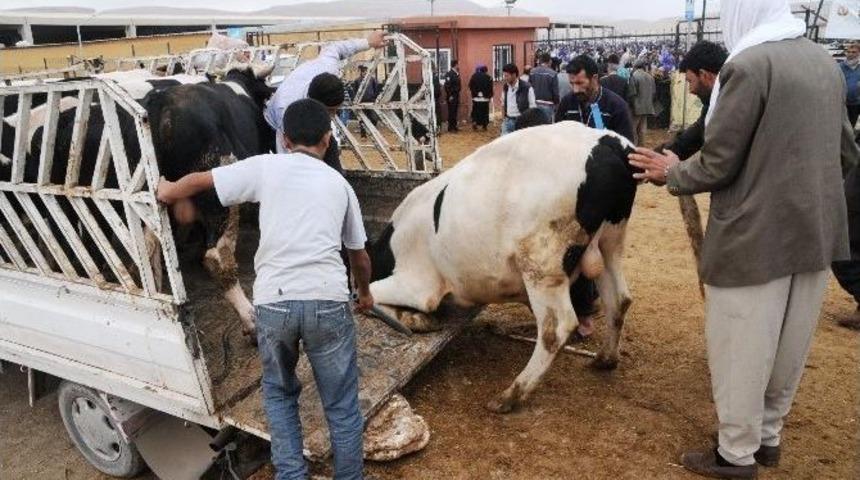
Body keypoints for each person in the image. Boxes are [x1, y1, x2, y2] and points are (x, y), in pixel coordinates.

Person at [628, 0, 858, 477]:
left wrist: (672, 171)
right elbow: (845, 152)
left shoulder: (749, 66)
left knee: (743, 346)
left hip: (754, 236)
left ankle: (735, 453)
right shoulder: (824, 63)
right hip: (814, 231)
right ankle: (768, 438)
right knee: (789, 346)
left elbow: (719, 161)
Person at [157, 98, 375, 480]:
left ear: (285, 139)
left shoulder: (266, 167)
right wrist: (365, 293)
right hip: (328, 300)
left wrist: (168, 190)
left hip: (275, 303)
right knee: (341, 406)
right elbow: (359, 255)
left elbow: (203, 180)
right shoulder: (340, 185)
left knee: (280, 395)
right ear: (327, 139)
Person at [265, 31, 386, 172]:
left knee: (330, 151)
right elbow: (287, 151)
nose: (333, 116)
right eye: (329, 111)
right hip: (273, 125)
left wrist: (367, 42)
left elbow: (335, 48)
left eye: (336, 110)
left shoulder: (329, 67)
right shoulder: (286, 110)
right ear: (316, 106)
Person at [663, 40, 728, 160]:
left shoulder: (731, 109)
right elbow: (692, 138)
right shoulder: (714, 103)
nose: (690, 90)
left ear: (704, 75)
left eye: (690, 81)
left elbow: (716, 161)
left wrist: (673, 169)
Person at [556, 54, 634, 142]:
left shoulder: (616, 107)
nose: (575, 90)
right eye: (572, 83)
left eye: (579, 83)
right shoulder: (566, 103)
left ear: (594, 78)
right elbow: (557, 137)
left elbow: (626, 144)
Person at [500, 63, 537, 136]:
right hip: (508, 121)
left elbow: (532, 107)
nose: (505, 78)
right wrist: (504, 119)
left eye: (507, 76)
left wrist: (529, 123)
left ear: (514, 75)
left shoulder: (527, 88)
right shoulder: (506, 87)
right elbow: (503, 103)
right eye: (504, 75)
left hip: (521, 122)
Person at [628, 59, 656, 145]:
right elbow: (653, 92)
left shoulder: (634, 76)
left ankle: (634, 147)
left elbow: (632, 93)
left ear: (635, 67)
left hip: (636, 108)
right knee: (642, 130)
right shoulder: (650, 77)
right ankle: (642, 147)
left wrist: (632, 107)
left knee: (633, 129)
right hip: (647, 107)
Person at [529, 52, 560, 123]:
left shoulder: (532, 72)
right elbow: (555, 91)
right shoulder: (553, 74)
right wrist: (557, 104)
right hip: (548, 104)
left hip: (534, 103)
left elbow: (529, 88)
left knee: (535, 125)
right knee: (546, 127)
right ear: (550, 61)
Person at [350, 65, 380, 138]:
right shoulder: (357, 80)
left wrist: (374, 97)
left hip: (371, 101)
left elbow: (376, 89)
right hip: (361, 102)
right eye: (363, 71)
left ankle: (371, 131)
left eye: (366, 71)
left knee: (374, 118)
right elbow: (355, 91)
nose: (365, 73)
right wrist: (356, 101)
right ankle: (363, 135)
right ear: (361, 72)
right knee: (362, 119)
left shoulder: (372, 79)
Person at [468, 64, 493, 130]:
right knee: (484, 112)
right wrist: (489, 96)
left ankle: (475, 122)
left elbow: (470, 85)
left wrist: (475, 93)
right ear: (486, 71)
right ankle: (484, 125)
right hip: (485, 98)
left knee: (476, 111)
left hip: (476, 98)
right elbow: (490, 88)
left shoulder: (474, 76)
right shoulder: (488, 77)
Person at [841, 41, 860, 128]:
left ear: (859, 53)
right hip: (843, 102)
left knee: (852, 124)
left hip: (856, 103)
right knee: (843, 126)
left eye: (853, 52)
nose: (850, 54)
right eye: (848, 52)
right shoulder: (840, 67)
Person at [444, 60, 462, 132]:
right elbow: (447, 86)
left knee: (454, 111)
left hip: (456, 95)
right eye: (458, 64)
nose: (458, 66)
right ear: (455, 65)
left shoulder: (456, 73)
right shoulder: (449, 74)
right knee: (451, 111)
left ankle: (454, 126)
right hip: (452, 96)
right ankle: (450, 127)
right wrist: (450, 95)